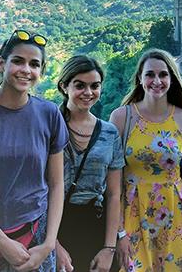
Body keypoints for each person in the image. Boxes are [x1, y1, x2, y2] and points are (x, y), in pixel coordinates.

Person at [0, 30, 66, 271]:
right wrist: (1, 242)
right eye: (18, 61)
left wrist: (49, 244)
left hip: (37, 238)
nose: (26, 70)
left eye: (34, 64)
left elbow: (56, 184)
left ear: (41, 71)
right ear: (2, 64)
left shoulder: (49, 114)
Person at [109, 49, 182, 271]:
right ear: (140, 79)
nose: (157, 81)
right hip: (132, 215)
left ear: (172, 79)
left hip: (175, 215)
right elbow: (113, 182)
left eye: (163, 74)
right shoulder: (121, 117)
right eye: (150, 74)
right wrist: (118, 230)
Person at [55, 56, 124, 272]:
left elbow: (114, 194)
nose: (88, 92)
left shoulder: (109, 133)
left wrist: (109, 248)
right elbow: (38, 189)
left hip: (94, 224)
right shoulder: (49, 126)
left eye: (94, 86)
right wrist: (53, 246)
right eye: (80, 85)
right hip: (55, 224)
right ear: (64, 86)